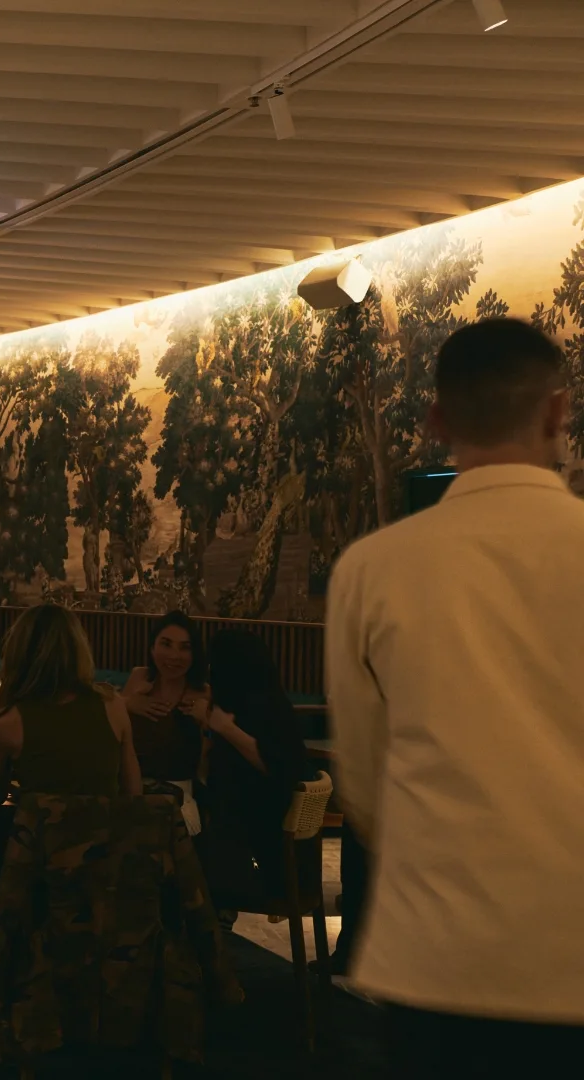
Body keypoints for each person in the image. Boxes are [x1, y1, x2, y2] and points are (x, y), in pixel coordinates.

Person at [327, 317, 584, 1071]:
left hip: (432, 958)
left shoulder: (373, 568)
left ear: (437, 419)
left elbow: (367, 786)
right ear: (557, 411)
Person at [0, 604, 140, 803]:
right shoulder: (112, 704)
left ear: (18, 652)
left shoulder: (4, 724)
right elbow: (133, 793)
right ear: (79, 649)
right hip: (104, 832)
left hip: (41, 833)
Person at [194, 630, 310, 904]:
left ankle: (211, 922)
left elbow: (278, 766)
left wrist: (225, 728)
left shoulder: (263, 707)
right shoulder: (267, 700)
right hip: (279, 855)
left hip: (268, 863)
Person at [122, 611, 212, 793]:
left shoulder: (204, 693)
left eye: (184, 647)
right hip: (133, 790)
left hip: (181, 794)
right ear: (152, 648)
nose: (174, 656)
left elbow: (207, 772)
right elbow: (114, 741)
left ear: (194, 654)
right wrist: (125, 703)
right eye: (166, 644)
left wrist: (207, 724)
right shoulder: (139, 677)